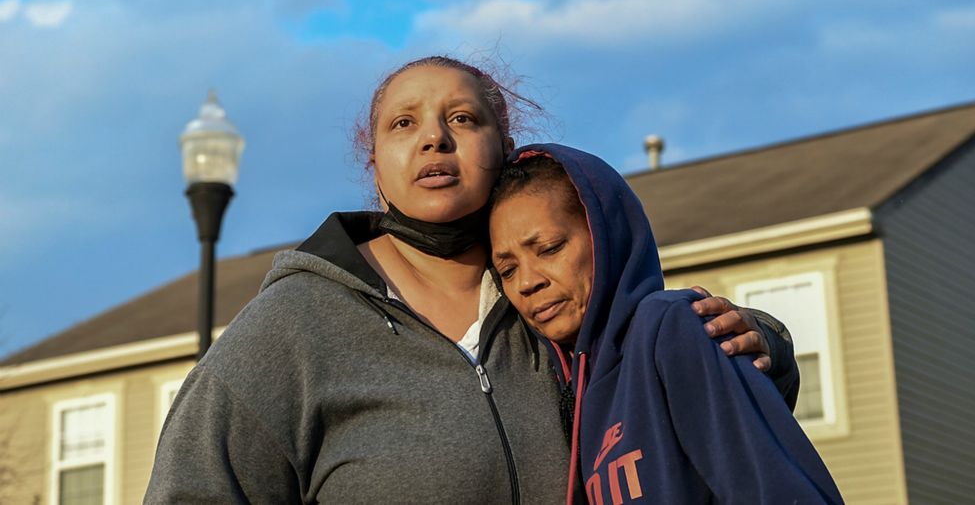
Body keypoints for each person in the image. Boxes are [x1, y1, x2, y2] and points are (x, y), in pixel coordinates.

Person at [145, 56, 799, 504]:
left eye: (462, 118)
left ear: (504, 145)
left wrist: (761, 339)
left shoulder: (552, 297)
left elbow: (661, 359)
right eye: (404, 123)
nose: (434, 137)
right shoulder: (291, 325)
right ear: (377, 166)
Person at [489, 145, 843, 504]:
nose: (527, 282)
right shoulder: (572, 390)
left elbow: (773, 488)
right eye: (507, 270)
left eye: (549, 248)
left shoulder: (669, 327)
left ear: (605, 235)